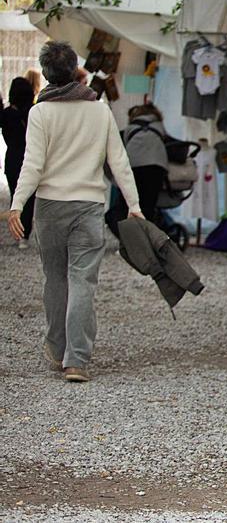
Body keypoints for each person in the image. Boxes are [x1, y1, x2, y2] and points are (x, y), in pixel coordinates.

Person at [7, 42, 143, 383]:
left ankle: (56, 346)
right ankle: (77, 359)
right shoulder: (99, 110)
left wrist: (17, 204)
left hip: (51, 206)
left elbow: (32, 165)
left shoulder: (40, 113)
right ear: (74, 71)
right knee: (82, 280)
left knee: (55, 278)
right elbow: (119, 161)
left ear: (47, 73)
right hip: (89, 205)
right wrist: (134, 204)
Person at [106, 104, 169, 234]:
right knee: (148, 205)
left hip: (134, 166)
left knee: (127, 204)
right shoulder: (159, 126)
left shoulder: (130, 128)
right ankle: (150, 239)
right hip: (157, 167)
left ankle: (127, 237)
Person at [2, 76, 35, 248]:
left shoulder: (7, 114)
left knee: (16, 195)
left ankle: (17, 229)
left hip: (13, 158)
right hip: (31, 157)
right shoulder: (34, 112)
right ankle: (25, 233)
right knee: (29, 198)